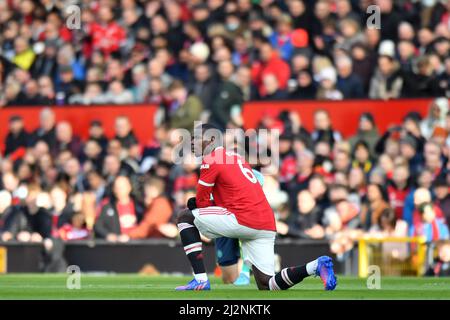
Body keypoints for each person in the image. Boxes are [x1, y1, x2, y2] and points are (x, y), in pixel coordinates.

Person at [175, 123, 337, 291]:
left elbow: (201, 203)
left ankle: (200, 280)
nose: (192, 142)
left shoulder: (211, 159)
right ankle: (316, 266)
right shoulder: (236, 158)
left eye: (196, 137)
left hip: (242, 218)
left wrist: (197, 204)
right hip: (266, 223)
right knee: (267, 284)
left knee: (185, 217)